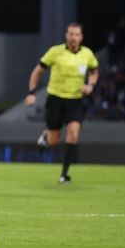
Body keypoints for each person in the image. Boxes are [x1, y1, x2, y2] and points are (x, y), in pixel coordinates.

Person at [25, 23, 99, 184]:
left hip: (75, 101)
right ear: (66, 36)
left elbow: (94, 71)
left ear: (81, 37)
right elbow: (38, 70)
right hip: (55, 99)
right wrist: (31, 92)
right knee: (53, 140)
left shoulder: (87, 54)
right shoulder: (55, 52)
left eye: (77, 34)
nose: (73, 37)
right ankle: (45, 137)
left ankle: (64, 175)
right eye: (71, 34)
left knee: (73, 134)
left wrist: (90, 85)